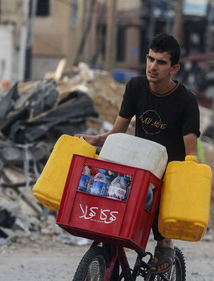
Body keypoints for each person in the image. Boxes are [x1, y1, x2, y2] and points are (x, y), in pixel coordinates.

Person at [76, 33, 200, 274]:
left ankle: (165, 242)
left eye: (161, 62)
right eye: (150, 59)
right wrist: (95, 140)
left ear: (174, 68)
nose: (153, 66)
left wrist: (188, 182)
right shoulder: (135, 87)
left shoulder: (186, 101)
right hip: (138, 165)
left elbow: (191, 153)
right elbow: (118, 131)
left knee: (157, 201)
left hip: (168, 173)